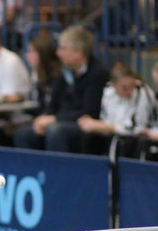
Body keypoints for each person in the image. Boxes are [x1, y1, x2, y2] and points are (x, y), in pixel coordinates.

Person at [14, 25, 110, 153]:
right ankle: (32, 172)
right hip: (61, 122)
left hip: (84, 127)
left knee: (56, 131)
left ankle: (59, 172)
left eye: (63, 49)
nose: (58, 53)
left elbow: (90, 112)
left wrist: (54, 119)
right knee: (24, 133)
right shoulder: (65, 72)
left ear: (78, 52)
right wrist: (43, 118)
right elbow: (53, 105)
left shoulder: (97, 73)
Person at [78, 63, 156, 156]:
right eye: (124, 88)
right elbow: (106, 119)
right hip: (113, 133)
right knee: (89, 138)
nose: (129, 91)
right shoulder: (108, 91)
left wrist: (99, 126)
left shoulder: (142, 91)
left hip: (136, 138)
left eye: (132, 85)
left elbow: (137, 128)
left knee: (125, 142)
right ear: (113, 84)